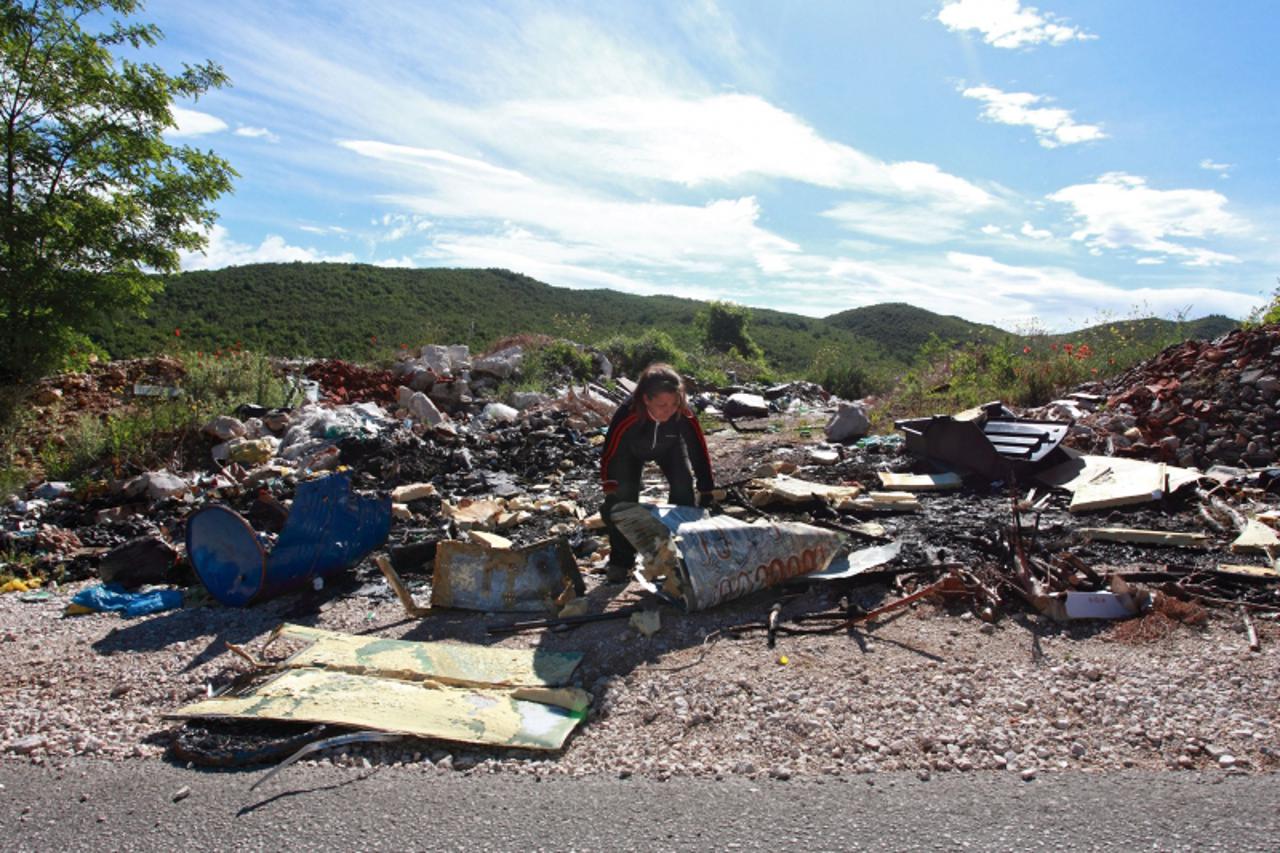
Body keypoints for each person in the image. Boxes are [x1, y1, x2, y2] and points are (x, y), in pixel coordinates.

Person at [600, 363, 715, 583]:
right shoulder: (628, 416)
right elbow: (610, 453)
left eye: (674, 403)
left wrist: (706, 488)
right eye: (662, 404)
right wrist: (610, 487)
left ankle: (679, 556)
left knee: (683, 487)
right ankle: (621, 562)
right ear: (646, 399)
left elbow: (698, 449)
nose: (669, 410)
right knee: (623, 502)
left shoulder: (681, 413)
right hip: (631, 454)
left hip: (669, 447)